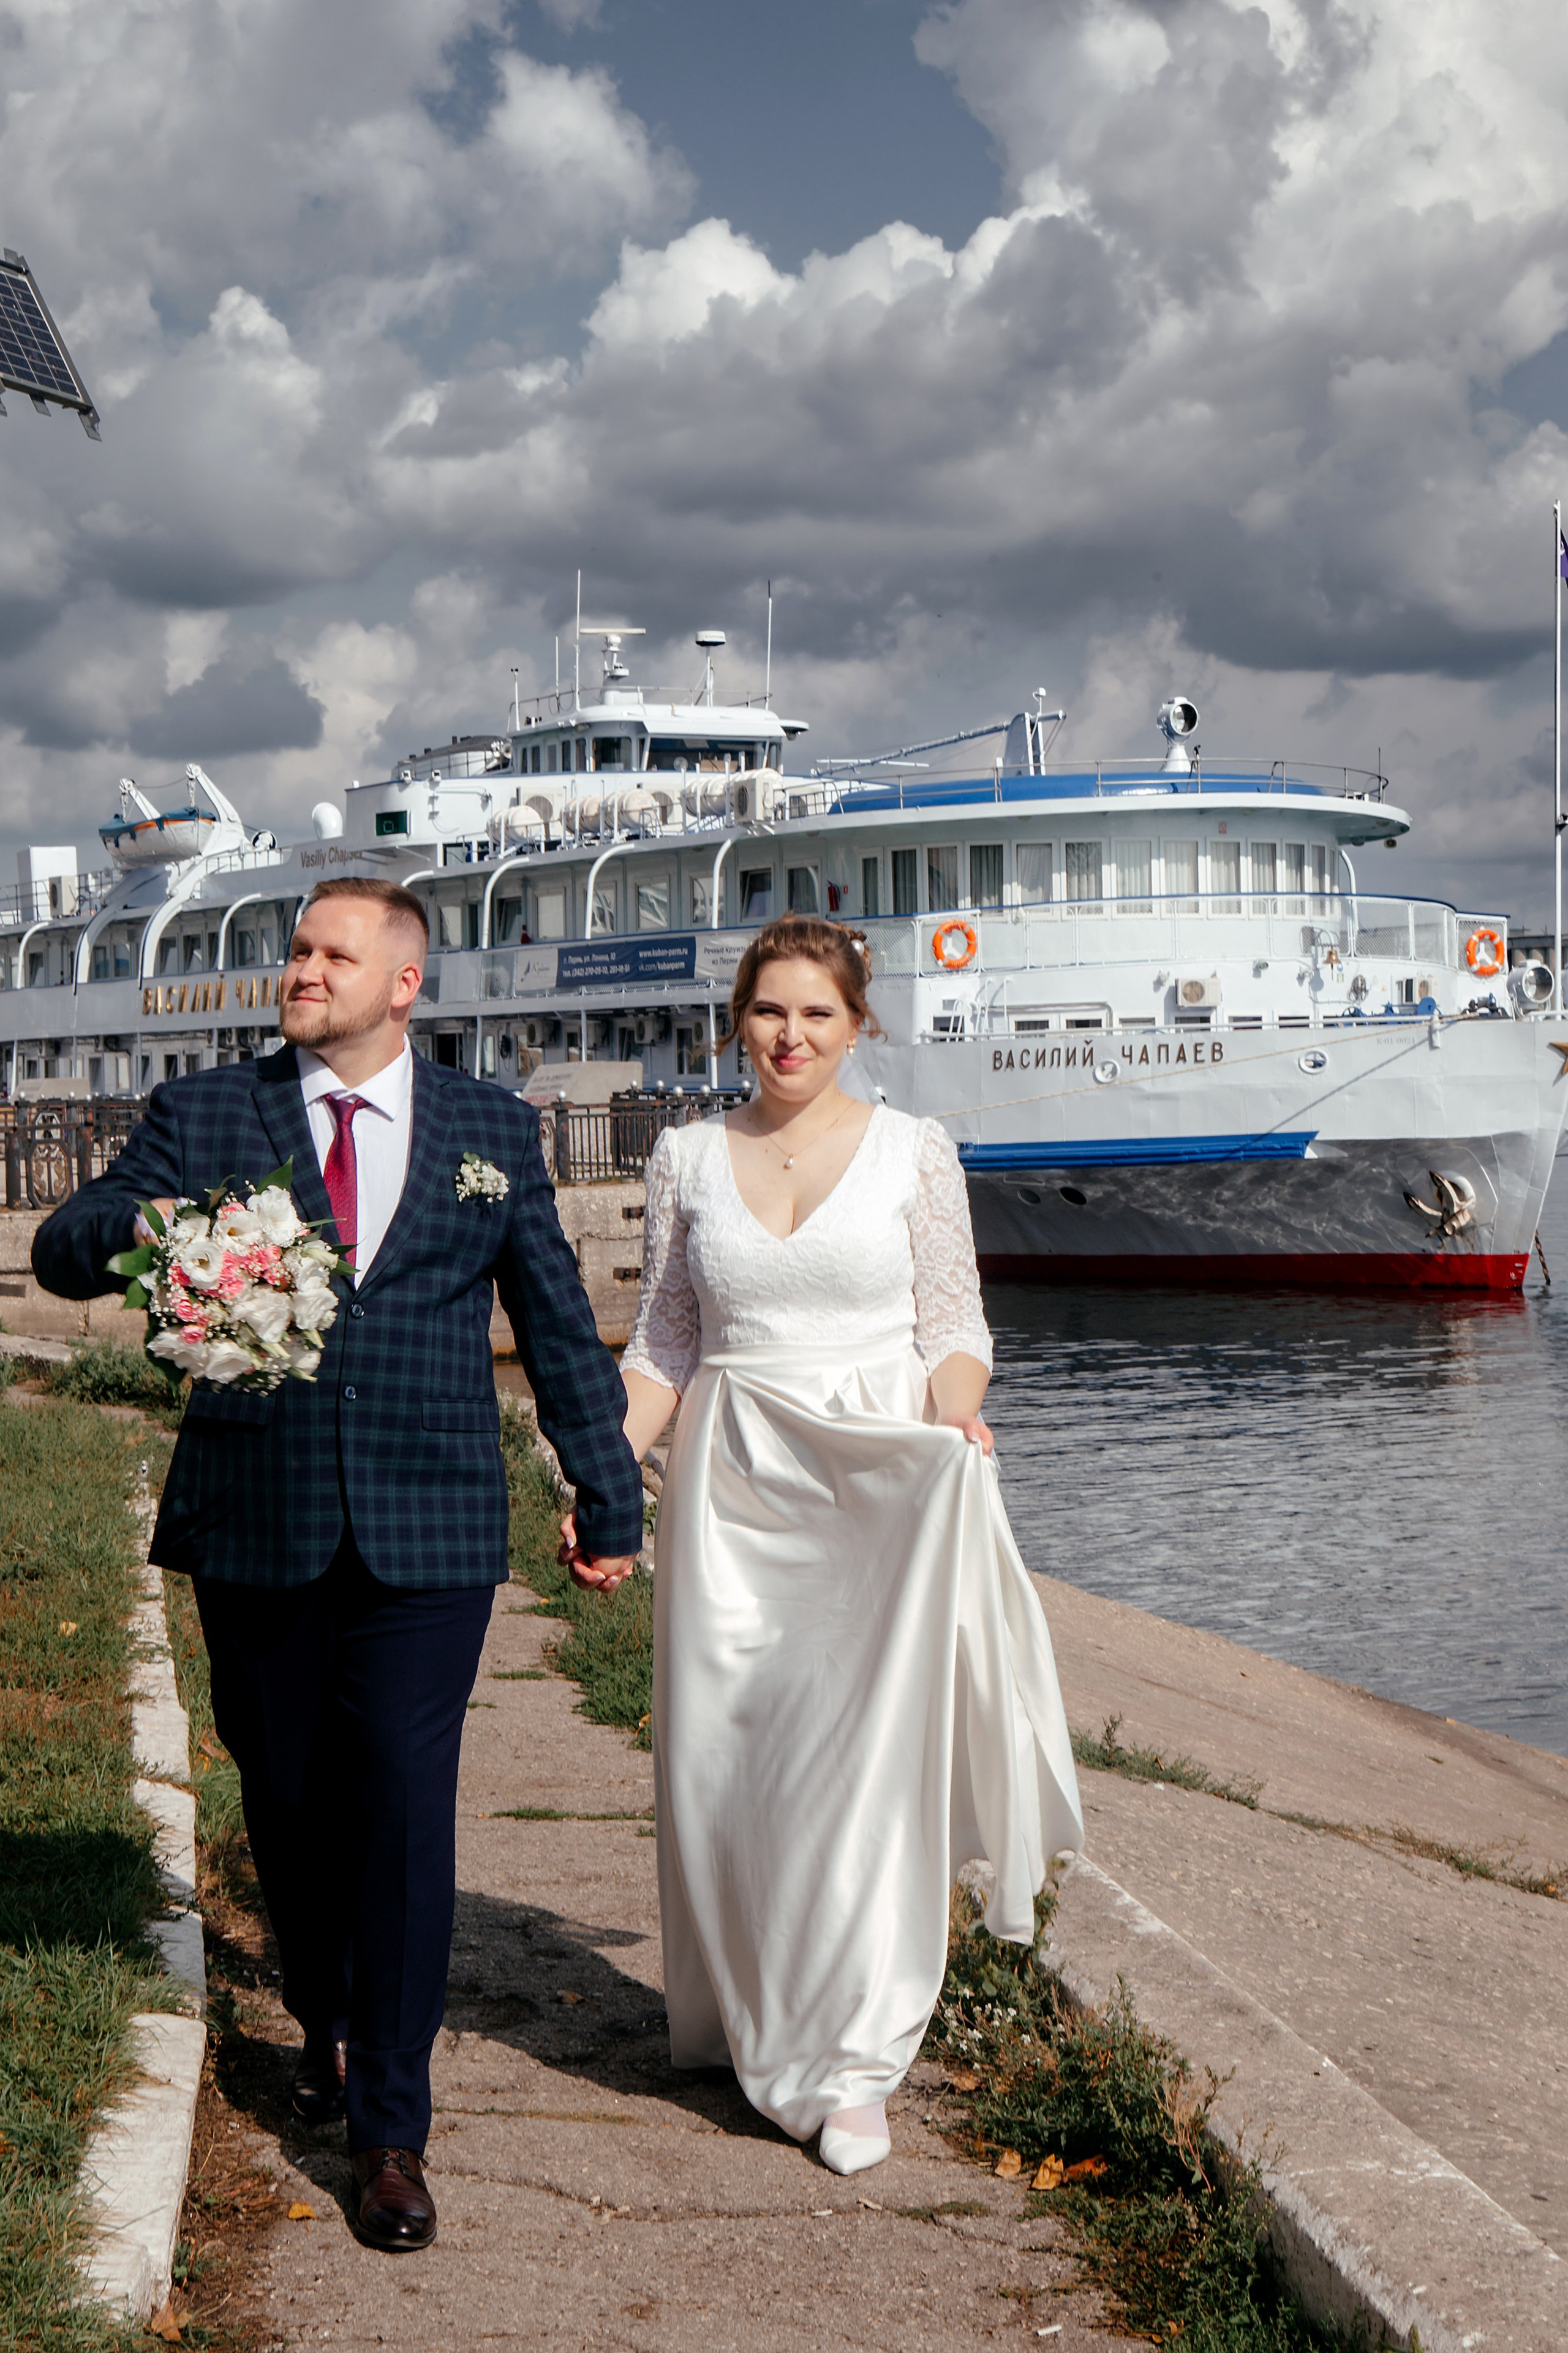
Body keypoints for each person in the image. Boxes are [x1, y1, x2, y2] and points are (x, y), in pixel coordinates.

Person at [32, 878, 643, 2251]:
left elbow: (554, 1320)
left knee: (406, 1810)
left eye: (329, 951)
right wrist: (139, 1233)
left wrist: (605, 1492)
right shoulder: (208, 1115)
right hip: (258, 1519)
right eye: (295, 948)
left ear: (405, 981)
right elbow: (63, 1247)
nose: (300, 968)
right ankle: (322, 2013)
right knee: (291, 1796)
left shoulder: (491, 1132)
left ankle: (390, 2128)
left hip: (430, 1527)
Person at [606, 913, 1083, 2176]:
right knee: (731, 1770)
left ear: (857, 1025)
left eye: (817, 1013)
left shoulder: (914, 1154)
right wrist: (602, 1464)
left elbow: (953, 1326)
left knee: (862, 1775)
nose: (790, 1035)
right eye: (769, 1010)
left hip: (876, 1483)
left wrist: (956, 1412)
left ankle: (855, 2058)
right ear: (737, 1021)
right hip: (731, 1491)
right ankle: (756, 2019)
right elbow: (663, 1344)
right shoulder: (687, 1157)